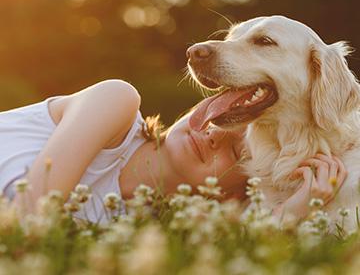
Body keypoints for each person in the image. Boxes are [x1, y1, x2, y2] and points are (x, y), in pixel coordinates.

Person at [0, 79, 347, 224]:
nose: (215, 136)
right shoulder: (116, 102)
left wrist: (295, 211)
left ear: (231, 195)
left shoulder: (143, 235)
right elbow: (25, 221)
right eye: (220, 118)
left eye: (239, 151)